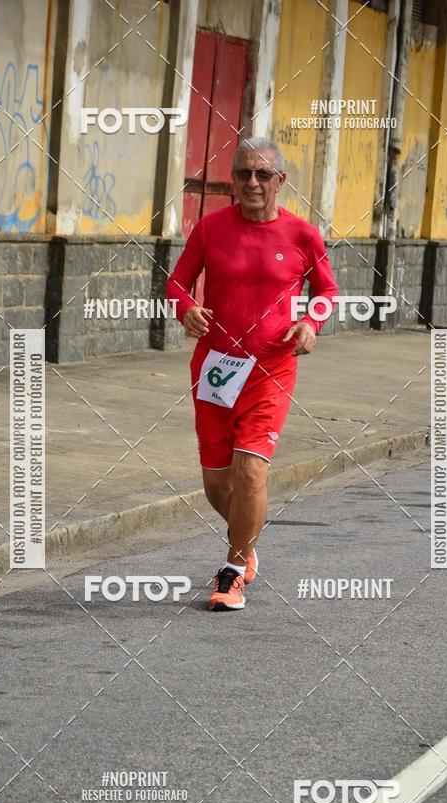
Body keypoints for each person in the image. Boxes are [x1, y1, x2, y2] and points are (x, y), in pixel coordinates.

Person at [166, 137, 338, 610]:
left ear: (280, 181)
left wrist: (311, 322)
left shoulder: (303, 236)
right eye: (243, 174)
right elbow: (177, 281)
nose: (253, 183)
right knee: (216, 484)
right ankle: (247, 539)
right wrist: (186, 308)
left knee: (250, 471)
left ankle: (233, 570)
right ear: (234, 181)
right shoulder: (211, 228)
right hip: (216, 369)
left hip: (270, 370)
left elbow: (327, 290)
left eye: (263, 174)